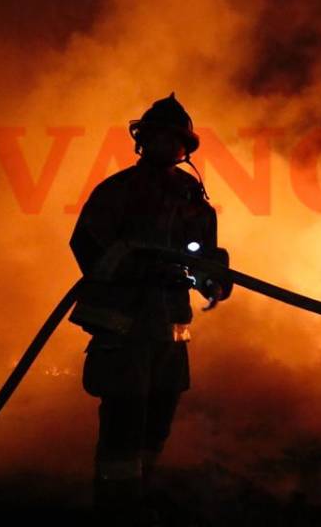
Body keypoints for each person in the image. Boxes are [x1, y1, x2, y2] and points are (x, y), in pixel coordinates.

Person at [68, 93, 231, 521]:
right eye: (159, 136)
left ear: (185, 147)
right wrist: (129, 266)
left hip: (169, 328)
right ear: (144, 140)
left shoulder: (191, 195)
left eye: (175, 139)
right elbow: (86, 244)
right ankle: (114, 508)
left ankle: (140, 494)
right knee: (123, 421)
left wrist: (211, 277)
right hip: (124, 329)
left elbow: (201, 250)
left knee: (158, 419)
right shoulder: (117, 191)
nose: (167, 145)